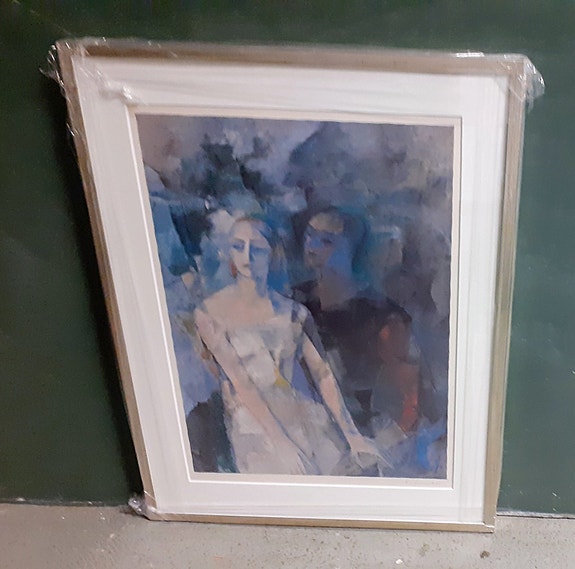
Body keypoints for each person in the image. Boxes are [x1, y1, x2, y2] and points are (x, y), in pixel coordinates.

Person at [193, 216, 382, 476]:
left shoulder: (294, 312)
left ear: (272, 253)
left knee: (350, 468)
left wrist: (352, 435)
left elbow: (322, 374)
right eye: (238, 246)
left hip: (306, 416)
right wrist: (282, 444)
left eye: (257, 248)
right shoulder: (210, 313)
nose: (247, 255)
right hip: (255, 425)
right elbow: (241, 383)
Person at [293, 208, 429, 446]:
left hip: (364, 438)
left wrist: (385, 444)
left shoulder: (384, 317)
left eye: (327, 241)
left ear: (350, 249)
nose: (311, 245)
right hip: (304, 432)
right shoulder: (295, 302)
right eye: (309, 235)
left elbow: (410, 401)